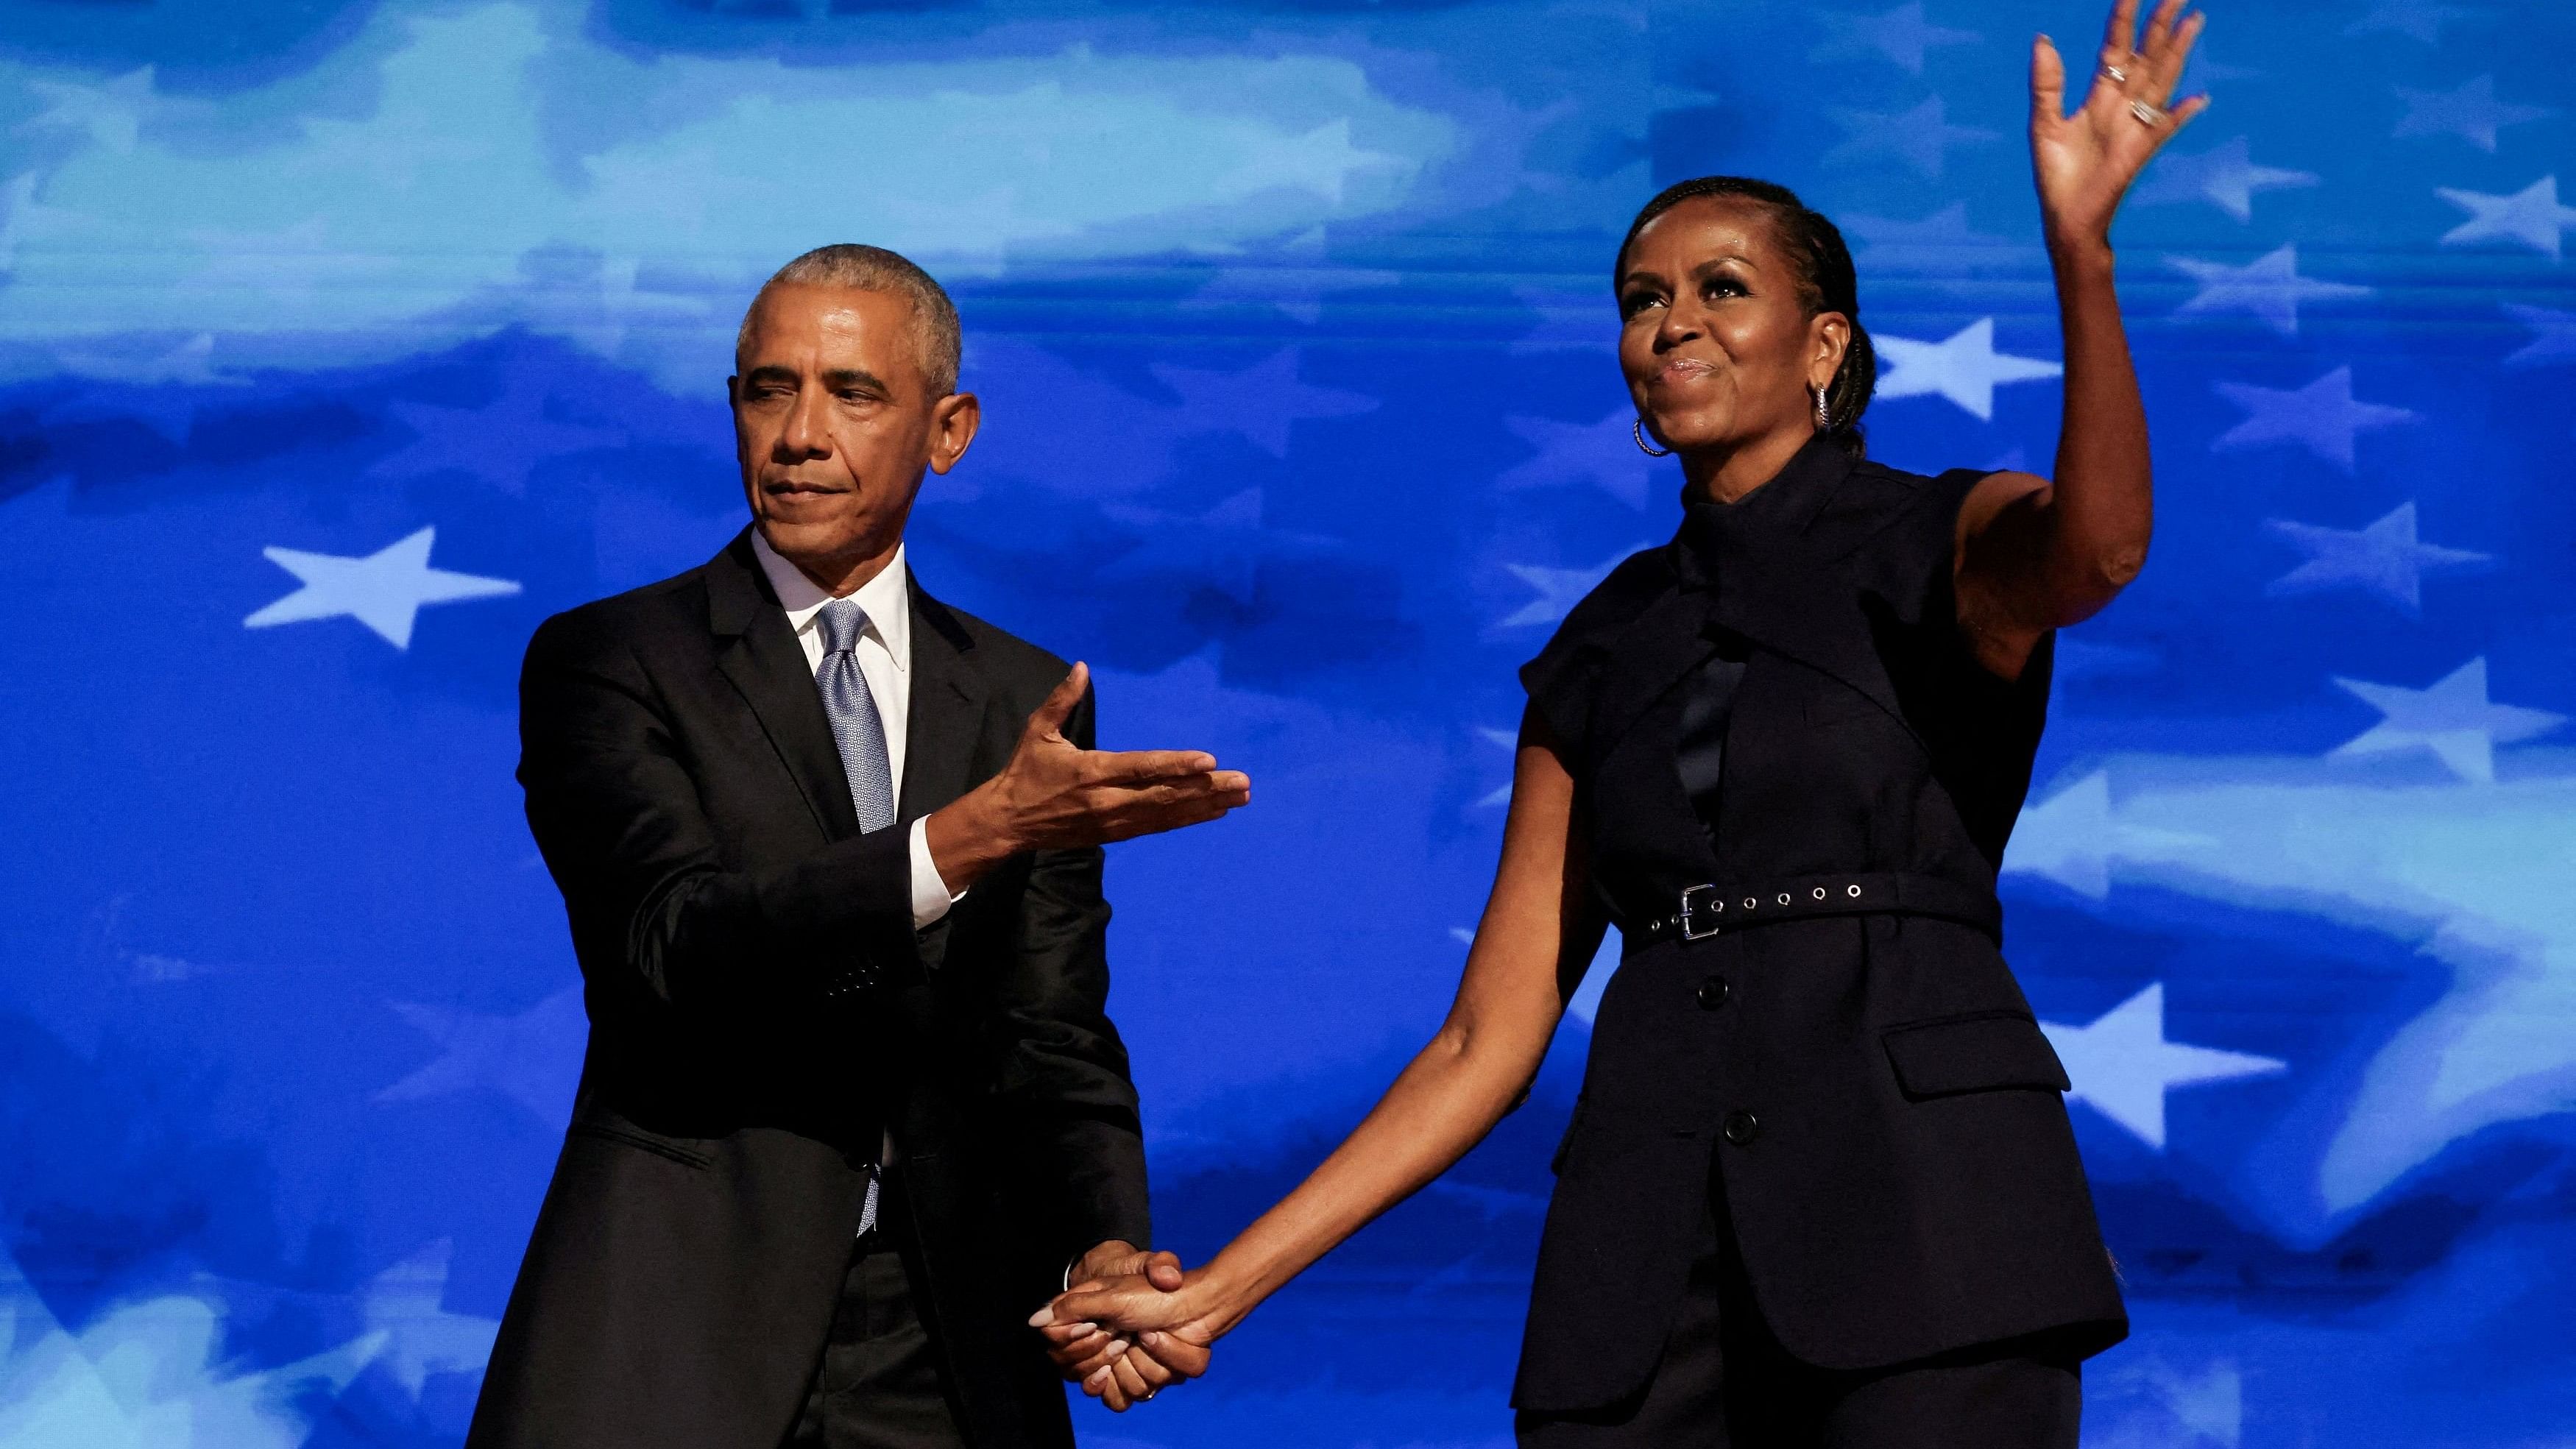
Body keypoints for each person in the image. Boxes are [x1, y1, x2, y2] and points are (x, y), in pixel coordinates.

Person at [1038, 3, 2209, 1442]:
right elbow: (1488, 1034)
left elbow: (2095, 554)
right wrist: (1219, 1289)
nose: (1673, 324)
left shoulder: (1935, 535)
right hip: (1647, 1257)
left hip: (1930, 1228)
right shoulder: (1604, 640)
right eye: (1643, 298)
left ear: (1822, 342)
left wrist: (2080, 257)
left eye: (1722, 289)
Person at [467, 244, 1236, 1449]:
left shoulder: (1026, 695)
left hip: (949, 1337)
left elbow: (1053, 1030)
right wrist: (969, 833)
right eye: (768, 390)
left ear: (949, 429)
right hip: (679, 1323)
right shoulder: (613, 659)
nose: (799, 434)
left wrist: (1105, 1246)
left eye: (853, 393)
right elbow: (669, 947)